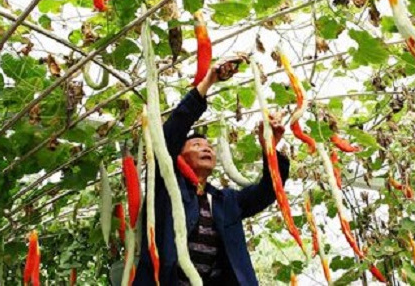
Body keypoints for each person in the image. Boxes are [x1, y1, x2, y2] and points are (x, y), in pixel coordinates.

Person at [112, 59, 290, 285]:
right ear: (178, 156)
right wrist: (207, 83)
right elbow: (170, 136)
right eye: (196, 145)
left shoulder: (227, 201)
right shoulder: (166, 187)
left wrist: (270, 148)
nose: (206, 148)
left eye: (208, 147)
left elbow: (269, 190)